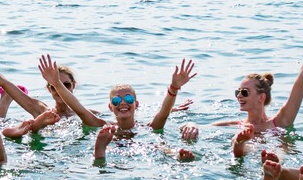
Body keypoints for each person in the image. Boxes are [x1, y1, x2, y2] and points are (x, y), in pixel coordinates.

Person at [206, 4, 303, 158]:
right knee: (247, 145)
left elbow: (301, 80)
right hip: (249, 152)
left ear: (261, 97)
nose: (239, 96)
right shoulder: (233, 126)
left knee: (280, 148)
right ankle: (239, 145)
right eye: (238, 92)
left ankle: (270, 160)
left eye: (244, 92)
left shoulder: (281, 121)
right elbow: (199, 128)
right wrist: (190, 125)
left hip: (275, 155)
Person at [36, 54, 197, 160]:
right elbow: (78, 107)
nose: (123, 103)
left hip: (139, 147)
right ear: (110, 107)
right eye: (116, 101)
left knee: (158, 146)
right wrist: (56, 83)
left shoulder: (148, 127)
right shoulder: (102, 126)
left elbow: (163, 113)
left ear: (136, 104)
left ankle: (176, 155)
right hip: (114, 152)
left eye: (128, 98)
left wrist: (174, 88)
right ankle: (100, 151)